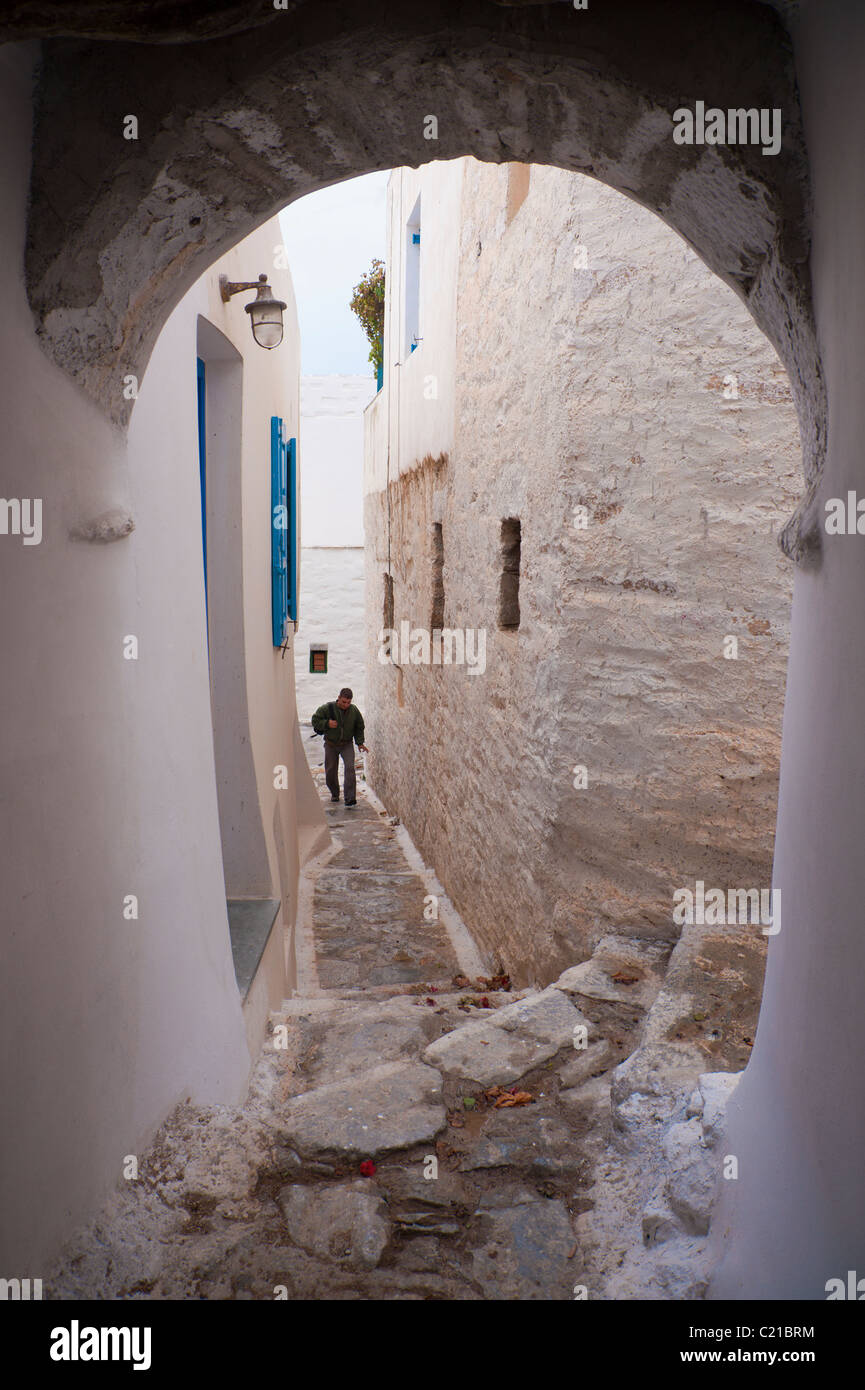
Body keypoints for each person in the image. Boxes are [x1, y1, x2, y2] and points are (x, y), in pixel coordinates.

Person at [311, 687, 369, 806]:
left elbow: (359, 726)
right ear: (338, 698)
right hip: (331, 744)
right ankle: (335, 793)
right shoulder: (327, 708)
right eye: (343, 702)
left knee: (350, 768)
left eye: (348, 702)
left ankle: (350, 798)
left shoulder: (354, 710)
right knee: (331, 771)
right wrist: (327, 724)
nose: (346, 705)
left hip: (346, 744)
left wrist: (360, 743)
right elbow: (315, 720)